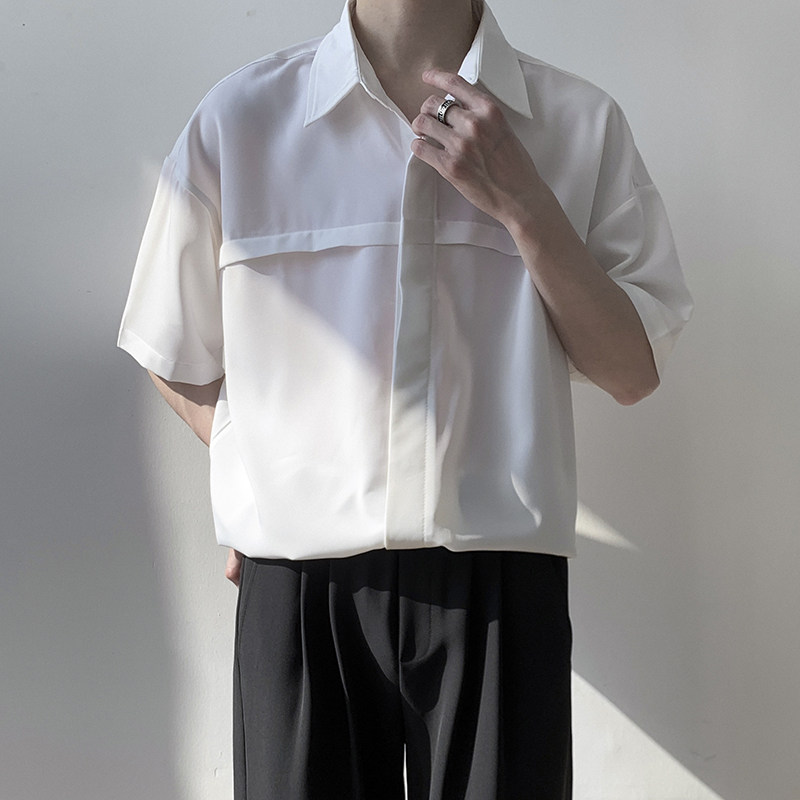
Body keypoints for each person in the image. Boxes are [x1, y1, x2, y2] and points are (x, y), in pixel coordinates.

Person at [118, 0, 692, 796]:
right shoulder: (240, 119)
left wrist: (524, 203)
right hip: (299, 585)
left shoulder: (578, 123)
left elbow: (632, 370)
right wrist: (260, 474)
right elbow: (170, 345)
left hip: (501, 583)